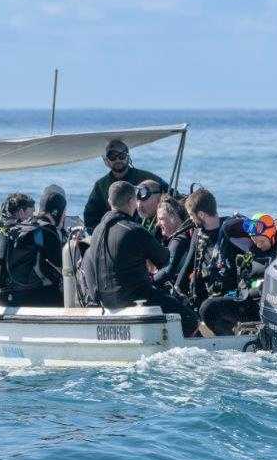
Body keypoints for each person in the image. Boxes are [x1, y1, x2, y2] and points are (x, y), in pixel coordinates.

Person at [79, 180, 198, 334]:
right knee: (191, 319)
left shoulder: (96, 233)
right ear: (132, 201)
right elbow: (164, 260)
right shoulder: (134, 230)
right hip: (136, 297)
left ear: (110, 202)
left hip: (107, 302)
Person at [198, 214, 277, 335]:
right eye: (255, 241)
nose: (259, 245)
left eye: (261, 241)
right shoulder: (252, 248)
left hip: (271, 309)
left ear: (271, 233)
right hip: (248, 304)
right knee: (208, 308)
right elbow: (227, 228)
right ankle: (230, 343)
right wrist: (247, 222)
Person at [0, 185, 67, 306]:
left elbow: (39, 250)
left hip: (8, 296)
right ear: (58, 212)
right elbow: (62, 267)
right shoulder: (47, 231)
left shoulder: (26, 227)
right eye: (64, 213)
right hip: (35, 297)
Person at [83, 139, 166, 233]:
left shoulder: (145, 177)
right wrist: (102, 234)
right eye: (112, 157)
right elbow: (90, 216)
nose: (118, 160)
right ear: (106, 160)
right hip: (116, 233)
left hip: (147, 231)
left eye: (121, 156)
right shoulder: (101, 185)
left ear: (128, 156)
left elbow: (171, 195)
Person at [150, 196, 191, 289]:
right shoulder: (184, 237)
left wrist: (148, 282)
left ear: (173, 217)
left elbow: (166, 271)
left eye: (161, 219)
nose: (158, 224)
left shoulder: (179, 240)